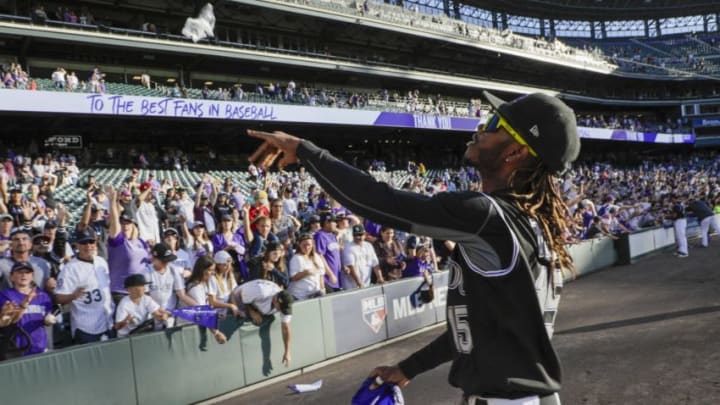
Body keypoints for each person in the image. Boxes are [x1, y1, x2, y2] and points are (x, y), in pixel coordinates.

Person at [247, 90, 580, 404]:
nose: (481, 127)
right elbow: (480, 328)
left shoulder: (486, 216)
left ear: (515, 152)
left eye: (495, 124)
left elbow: (379, 201)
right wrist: (409, 368)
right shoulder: (530, 223)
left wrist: (304, 150)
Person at [54, 228, 113, 344]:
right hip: (85, 327)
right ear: (77, 245)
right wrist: (73, 296)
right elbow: (58, 297)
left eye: (91, 242)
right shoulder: (69, 269)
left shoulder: (101, 262)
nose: (88, 246)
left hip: (108, 322)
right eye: (83, 242)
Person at [231, 279, 294, 366]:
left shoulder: (285, 301)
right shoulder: (262, 291)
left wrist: (287, 352)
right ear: (276, 300)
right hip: (237, 298)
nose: (282, 310)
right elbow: (240, 294)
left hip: (254, 301)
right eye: (281, 307)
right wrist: (252, 311)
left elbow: (285, 328)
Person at [0, 261, 54, 357]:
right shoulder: (5, 295)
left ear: (32, 276)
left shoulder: (43, 295)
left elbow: (47, 317)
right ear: (11, 276)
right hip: (16, 348)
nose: (24, 275)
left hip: (40, 345)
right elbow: (6, 320)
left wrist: (48, 320)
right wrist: (24, 304)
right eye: (20, 272)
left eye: (27, 272)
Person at [341, 224, 381, 289]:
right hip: (352, 286)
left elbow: (375, 263)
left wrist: (380, 277)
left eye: (361, 234)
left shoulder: (369, 245)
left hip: (366, 283)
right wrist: (359, 282)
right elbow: (351, 267)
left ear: (365, 234)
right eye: (357, 235)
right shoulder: (348, 247)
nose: (360, 237)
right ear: (353, 236)